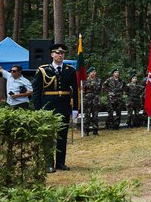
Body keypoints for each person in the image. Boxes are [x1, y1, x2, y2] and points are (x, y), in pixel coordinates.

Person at [32, 43, 79, 172]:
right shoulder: (43, 70)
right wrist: (38, 110)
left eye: (62, 53)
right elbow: (36, 92)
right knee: (48, 136)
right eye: (57, 53)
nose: (60, 55)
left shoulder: (70, 70)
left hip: (64, 107)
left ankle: (60, 163)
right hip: (48, 107)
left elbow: (75, 90)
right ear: (52, 54)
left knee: (62, 136)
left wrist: (75, 108)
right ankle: (48, 163)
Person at [82, 67, 102, 136]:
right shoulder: (85, 81)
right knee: (87, 115)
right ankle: (86, 131)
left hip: (96, 100)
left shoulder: (98, 80)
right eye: (92, 72)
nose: (94, 73)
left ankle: (95, 130)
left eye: (95, 72)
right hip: (88, 100)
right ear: (89, 73)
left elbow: (99, 89)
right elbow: (83, 90)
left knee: (95, 116)